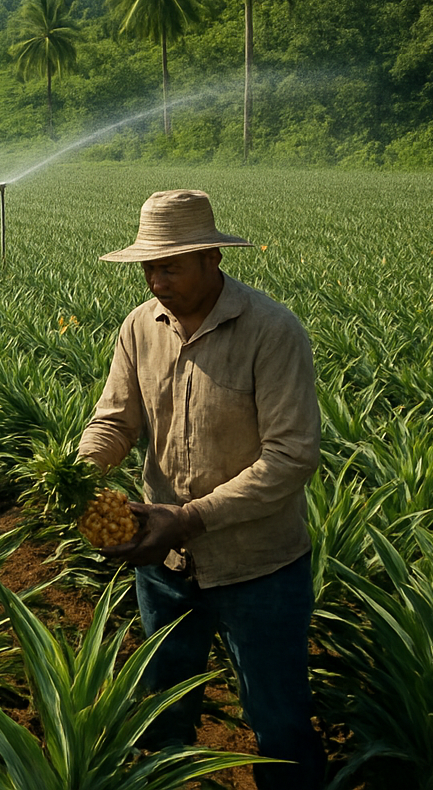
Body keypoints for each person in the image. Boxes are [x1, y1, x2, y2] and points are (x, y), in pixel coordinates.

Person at [77, 189, 323, 788]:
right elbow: (116, 416)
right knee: (164, 709)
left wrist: (189, 518)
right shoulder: (139, 327)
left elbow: (292, 457)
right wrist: (84, 468)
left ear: (212, 258)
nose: (156, 281)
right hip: (164, 563)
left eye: (171, 266)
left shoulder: (271, 330)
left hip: (257, 566)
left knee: (279, 721)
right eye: (148, 267)